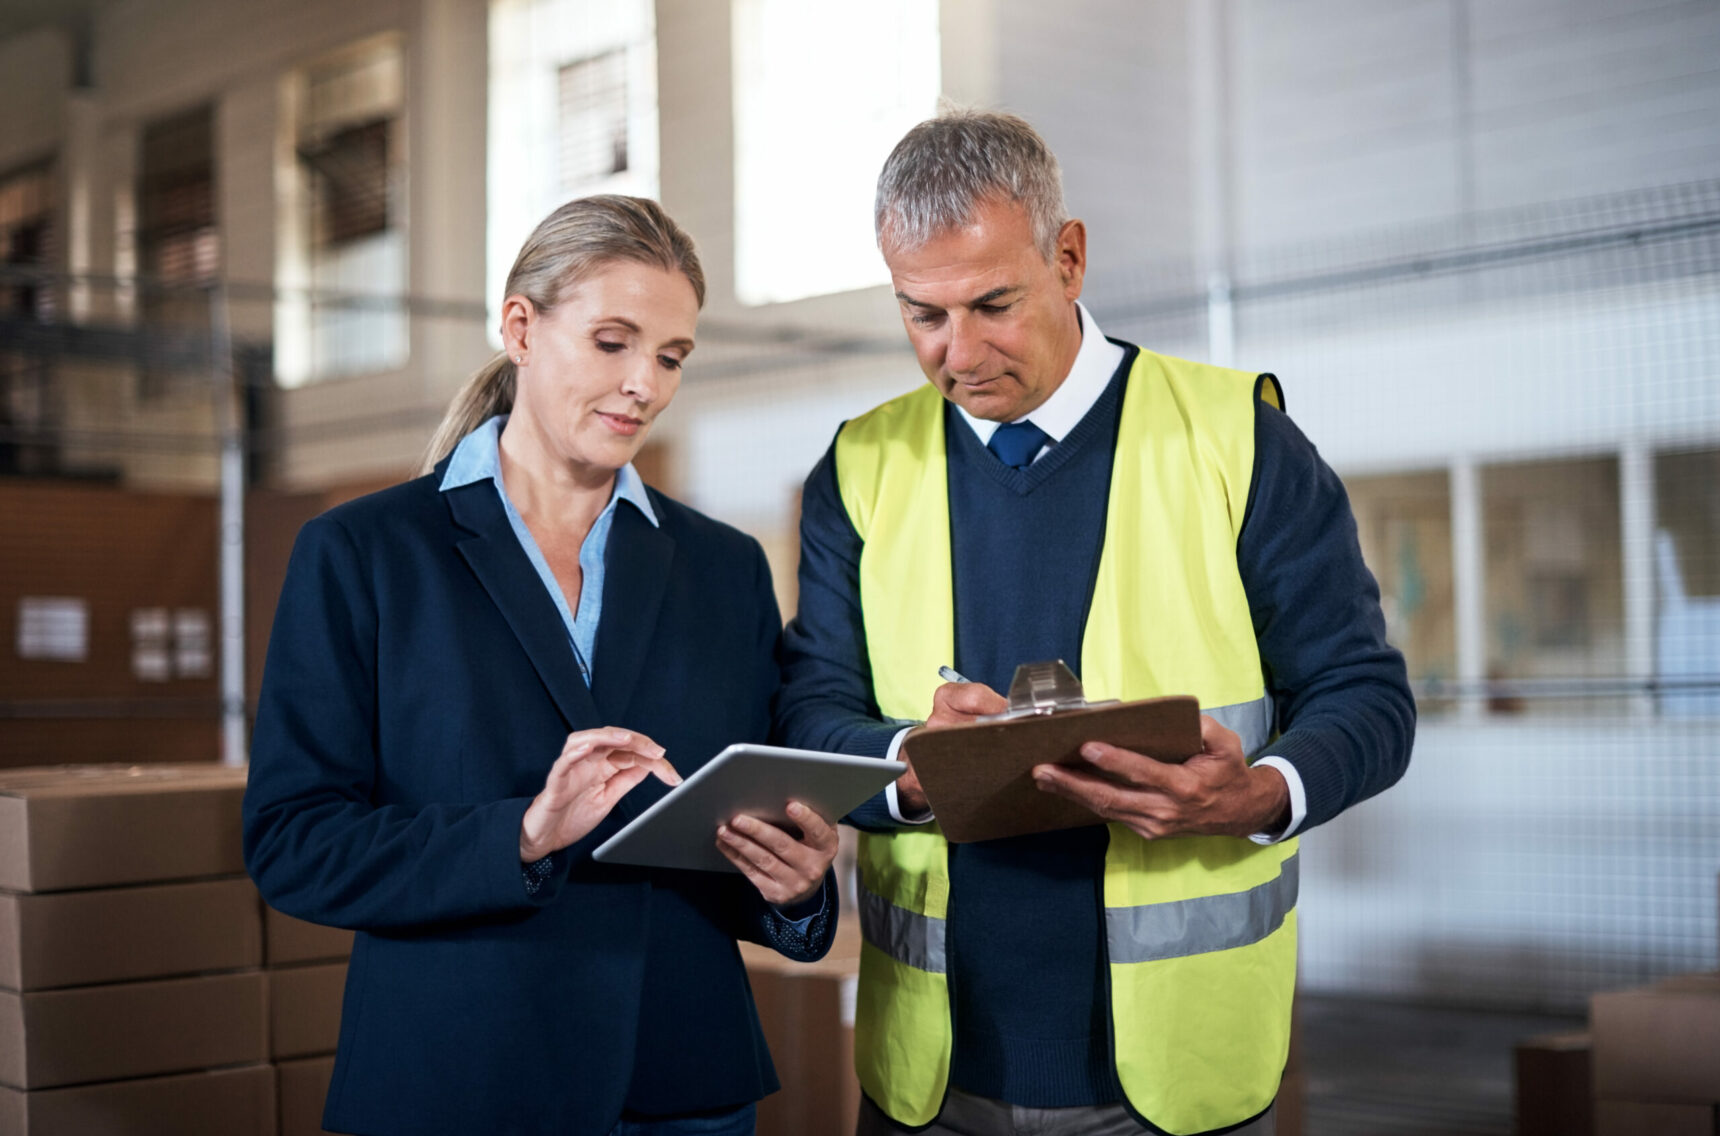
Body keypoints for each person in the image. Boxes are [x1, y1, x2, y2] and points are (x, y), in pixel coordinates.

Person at [776, 111, 1416, 1135]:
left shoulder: (1236, 439)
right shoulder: (858, 468)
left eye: (992, 303)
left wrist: (1253, 791)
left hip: (1173, 1078)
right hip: (931, 1072)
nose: (959, 351)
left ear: (1068, 258)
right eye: (921, 313)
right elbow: (810, 711)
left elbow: (1367, 698)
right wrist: (906, 761)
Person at [244, 195, 840, 1136]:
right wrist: (520, 834)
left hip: (680, 1083)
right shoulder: (366, 553)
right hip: (459, 1079)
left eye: (672, 356)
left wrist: (796, 889)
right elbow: (294, 843)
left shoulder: (723, 569)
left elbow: (734, 813)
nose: (644, 382)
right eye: (613, 342)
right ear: (520, 326)